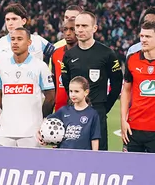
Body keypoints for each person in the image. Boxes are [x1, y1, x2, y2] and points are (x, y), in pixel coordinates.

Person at [60, 11, 123, 151]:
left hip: (97, 111)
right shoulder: (69, 56)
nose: (80, 29)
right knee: (74, 154)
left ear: (94, 28)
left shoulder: (107, 54)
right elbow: (66, 83)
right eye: (77, 26)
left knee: (98, 157)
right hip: (75, 112)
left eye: (84, 26)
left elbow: (117, 84)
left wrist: (104, 107)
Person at [0, 27, 55, 147]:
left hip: (31, 131)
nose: (15, 42)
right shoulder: (1, 66)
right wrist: (10, 111)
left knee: (31, 165)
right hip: (6, 130)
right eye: (13, 39)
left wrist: (39, 118)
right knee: (3, 164)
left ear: (29, 42)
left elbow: (50, 97)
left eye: (20, 39)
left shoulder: (40, 66)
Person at [121, 20, 155, 153]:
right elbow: (126, 90)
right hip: (134, 126)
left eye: (148, 37)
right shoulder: (132, 59)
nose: (143, 40)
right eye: (142, 36)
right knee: (132, 170)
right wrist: (123, 120)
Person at [41, 77, 102, 151]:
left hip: (83, 157)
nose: (73, 94)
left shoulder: (92, 114)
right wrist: (42, 134)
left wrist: (94, 157)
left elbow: (95, 139)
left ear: (86, 92)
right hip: (63, 155)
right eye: (71, 91)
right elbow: (46, 121)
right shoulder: (64, 111)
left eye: (76, 91)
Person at [51, 21, 77, 111]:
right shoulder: (56, 53)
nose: (68, 33)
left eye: (72, 29)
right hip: (59, 109)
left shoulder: (86, 54)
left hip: (79, 110)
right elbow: (54, 84)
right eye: (65, 29)